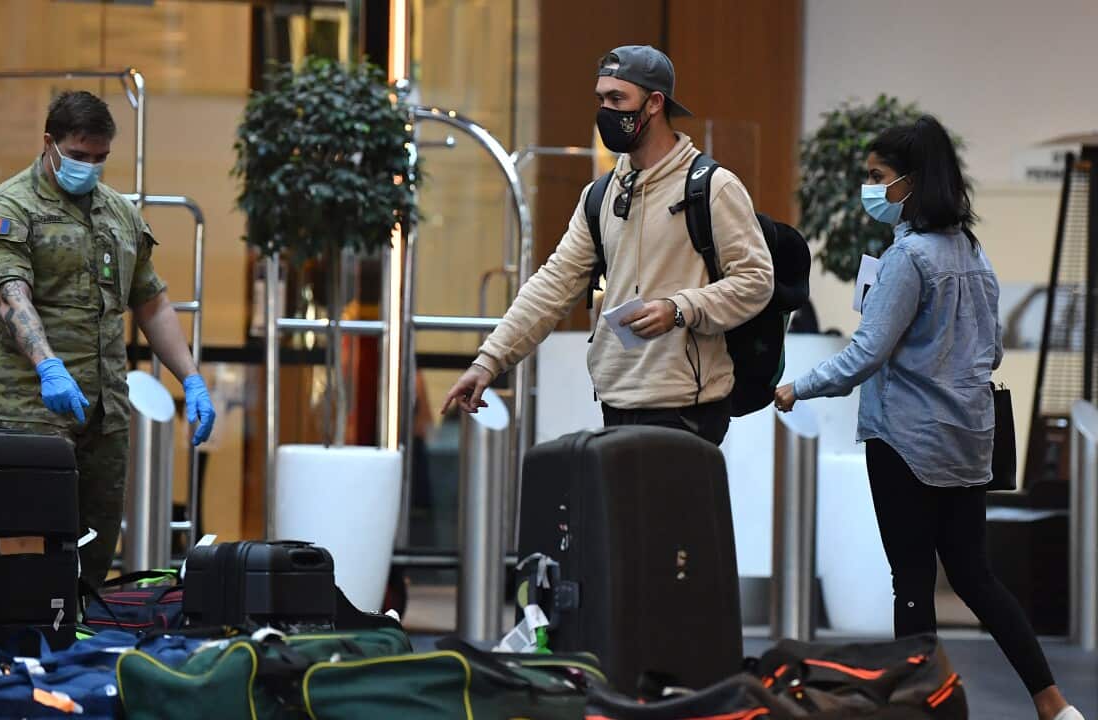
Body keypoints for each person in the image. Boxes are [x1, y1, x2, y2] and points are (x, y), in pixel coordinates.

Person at [774, 116, 1083, 720]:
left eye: (877, 177)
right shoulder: (973, 251)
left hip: (905, 443)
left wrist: (797, 387)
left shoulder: (907, 259)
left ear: (910, 183)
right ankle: (1054, 704)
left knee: (911, 582)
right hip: (967, 441)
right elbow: (989, 351)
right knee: (976, 576)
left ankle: (919, 710)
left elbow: (867, 353)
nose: (870, 189)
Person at [441, 45, 773, 445]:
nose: (606, 112)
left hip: (686, 406)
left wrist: (679, 308)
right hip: (615, 400)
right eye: (601, 99)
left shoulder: (711, 187)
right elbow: (555, 283)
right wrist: (489, 361)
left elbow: (756, 280)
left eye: (618, 99)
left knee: (666, 510)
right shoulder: (599, 195)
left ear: (654, 103)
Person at [0, 91, 216, 587]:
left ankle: (80, 639)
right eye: (79, 156)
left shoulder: (119, 214)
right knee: (30, 541)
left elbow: (152, 302)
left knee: (97, 539)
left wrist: (191, 379)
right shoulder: (12, 207)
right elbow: (11, 296)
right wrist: (48, 366)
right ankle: (23, 642)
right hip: (35, 407)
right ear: (49, 143)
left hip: (105, 409)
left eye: (100, 158)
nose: (90, 167)